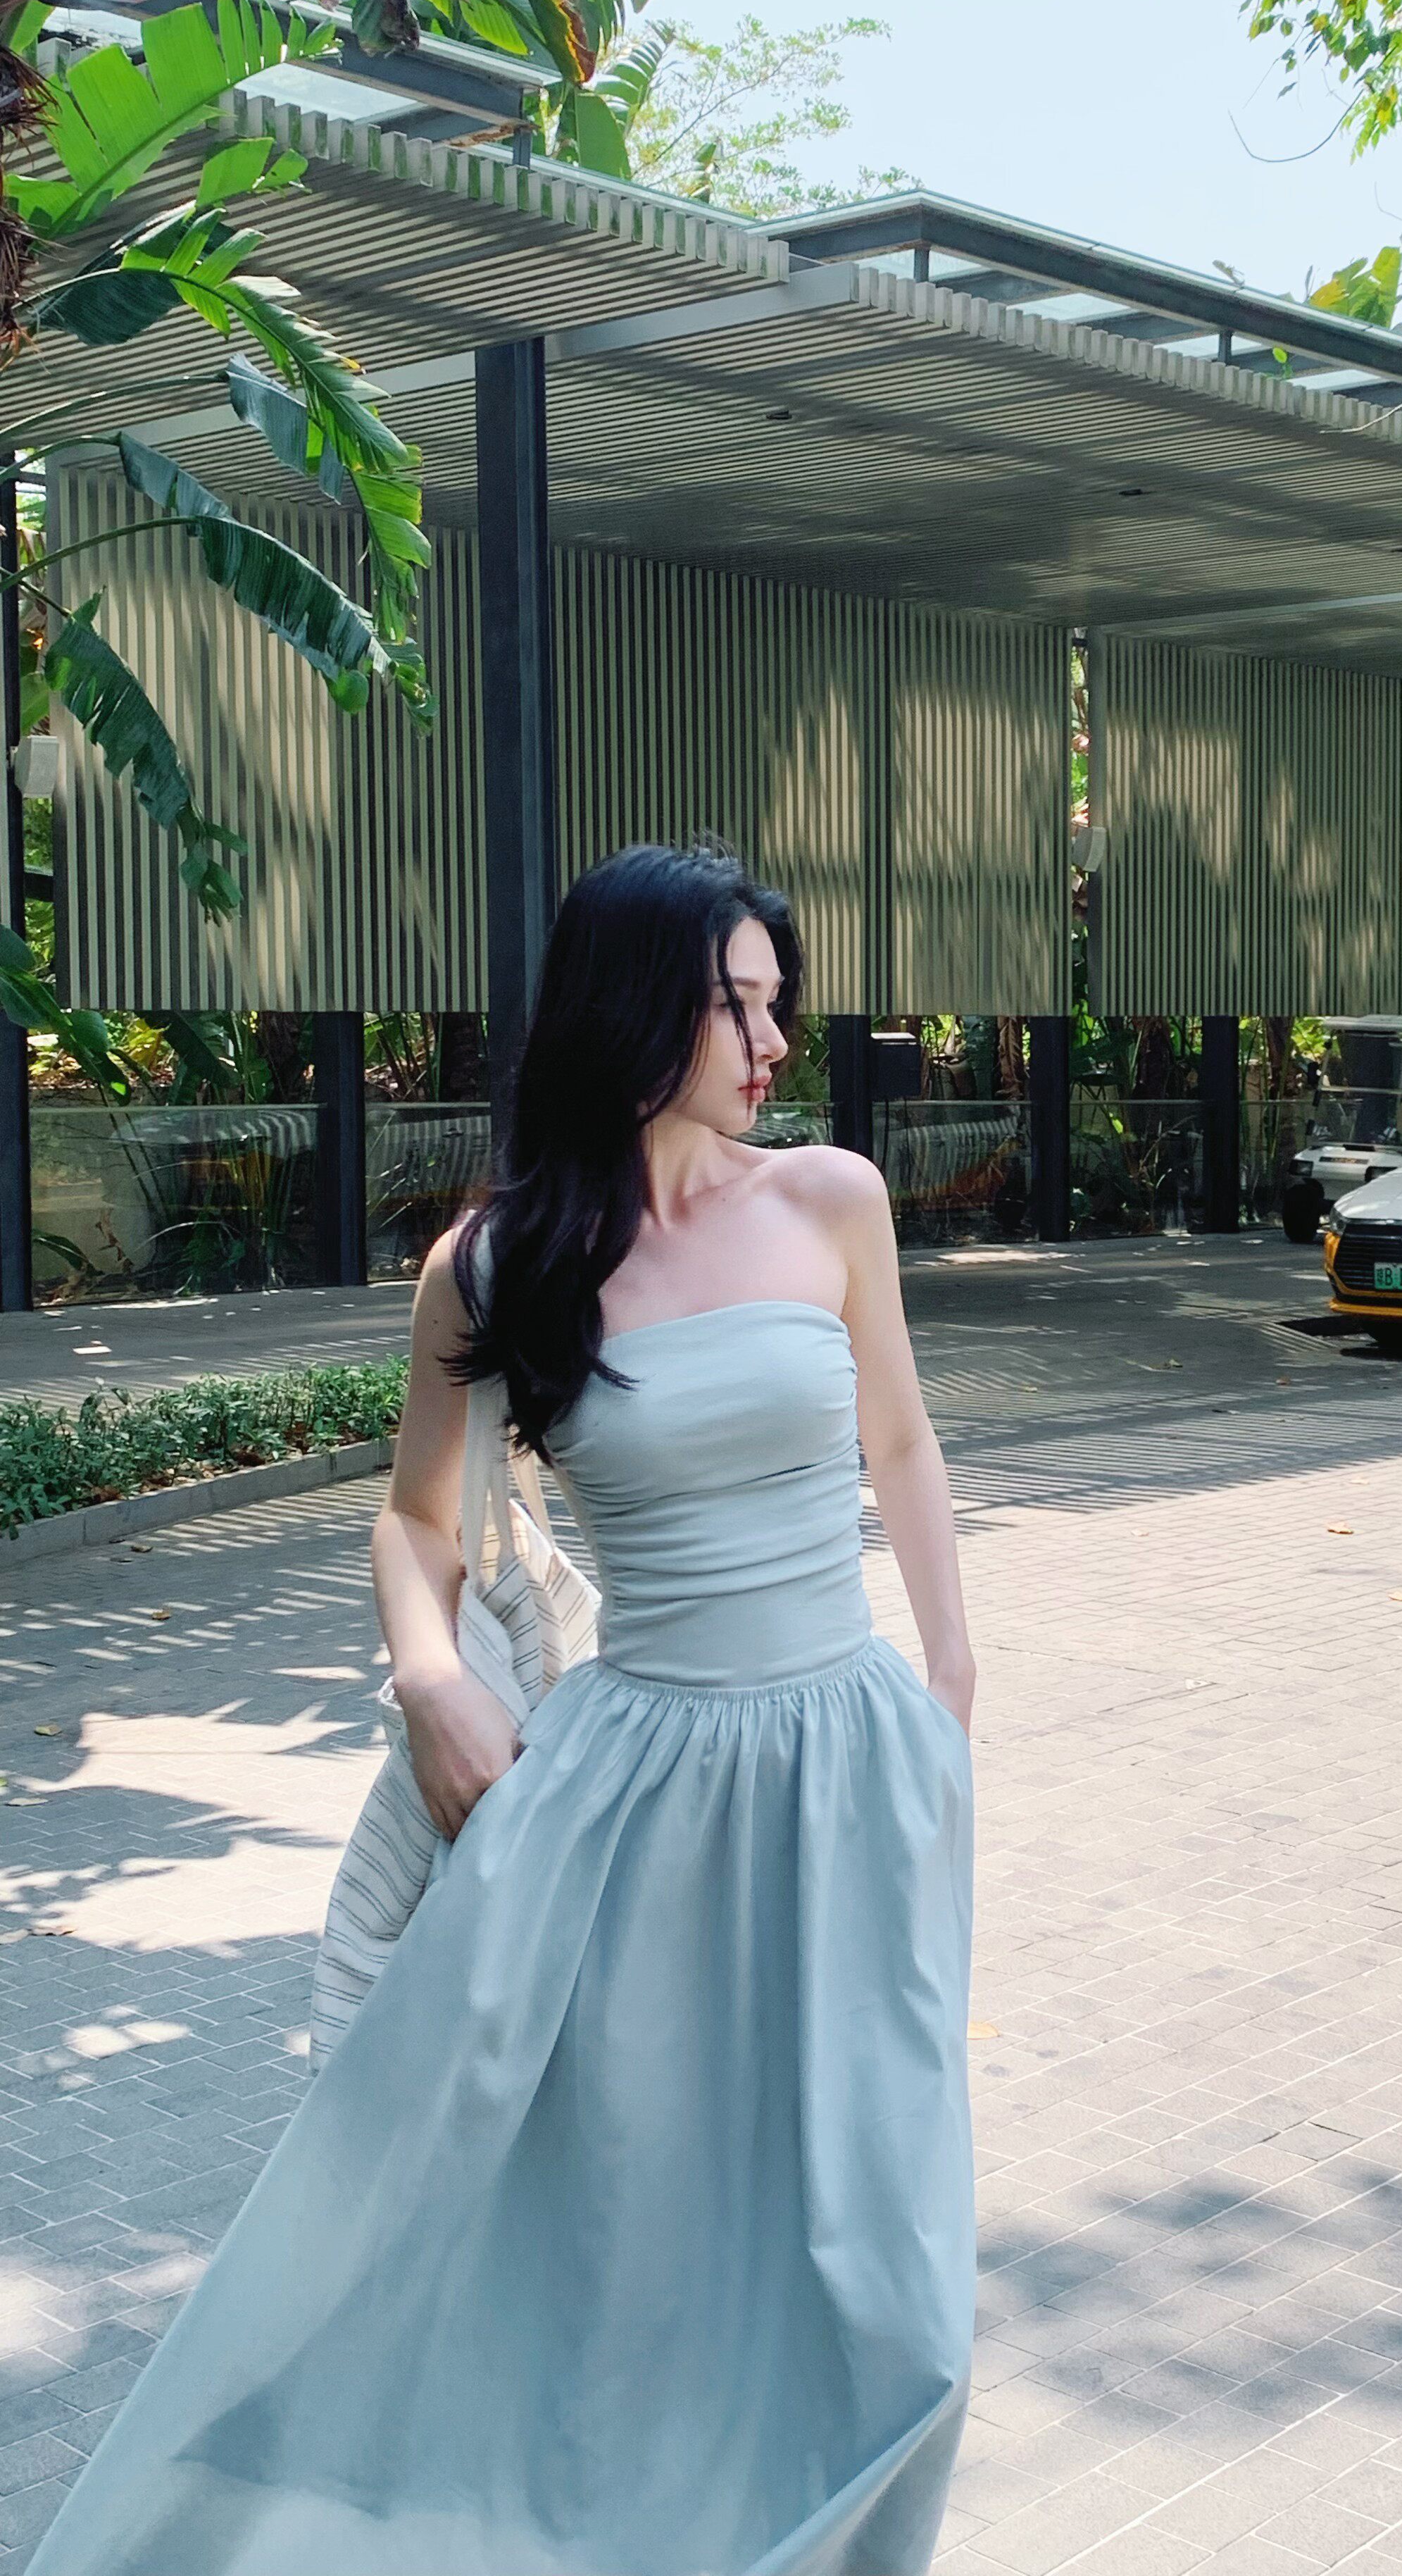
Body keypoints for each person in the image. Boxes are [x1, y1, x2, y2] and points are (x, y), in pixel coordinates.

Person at [28, 843, 977, 2576]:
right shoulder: (492, 1264)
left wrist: (950, 1687)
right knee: (626, 2230)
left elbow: (902, 1441)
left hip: (844, 1769)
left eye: (778, 1002)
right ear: (632, 1009)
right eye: (735, 1004)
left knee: (886, 2272)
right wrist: (431, 1678)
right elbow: (414, 1523)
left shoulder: (831, 1198)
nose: (774, 1041)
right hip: (635, 1794)